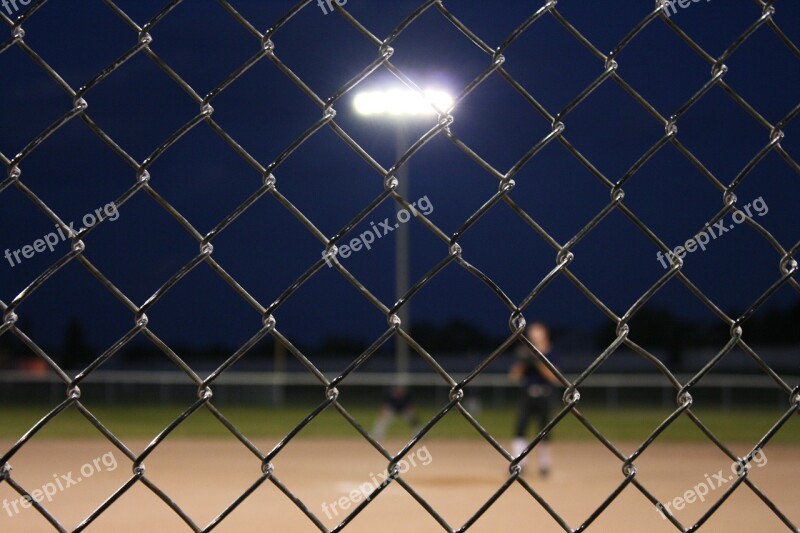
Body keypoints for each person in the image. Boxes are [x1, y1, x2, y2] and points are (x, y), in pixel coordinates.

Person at [509, 322, 559, 477]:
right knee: (520, 428)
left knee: (544, 431)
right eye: (532, 333)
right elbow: (514, 376)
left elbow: (554, 377)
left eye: (537, 332)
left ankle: (544, 465)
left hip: (545, 395)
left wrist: (538, 362)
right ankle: (520, 463)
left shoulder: (551, 353)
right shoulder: (526, 352)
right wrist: (525, 362)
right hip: (527, 395)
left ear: (545, 333)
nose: (533, 335)